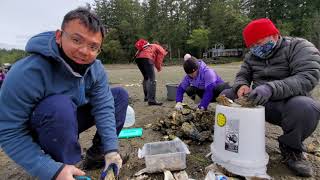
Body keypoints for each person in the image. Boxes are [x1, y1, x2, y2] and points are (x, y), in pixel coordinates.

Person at [0, 8, 129, 180]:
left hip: (70, 117)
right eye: (76, 40)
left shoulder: (95, 68)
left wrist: (111, 149)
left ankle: (97, 155)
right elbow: (9, 132)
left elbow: (104, 107)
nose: (84, 51)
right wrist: (51, 170)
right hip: (42, 125)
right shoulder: (26, 73)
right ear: (59, 36)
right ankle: (63, 167)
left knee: (119, 96)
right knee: (59, 106)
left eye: (93, 47)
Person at [221, 18, 320, 177]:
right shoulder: (252, 55)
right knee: (227, 95)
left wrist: (270, 88)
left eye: (258, 43)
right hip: (258, 102)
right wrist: (241, 85)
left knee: (306, 108)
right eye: (251, 46)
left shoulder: (299, 46)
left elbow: (307, 77)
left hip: (288, 104)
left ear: (274, 35)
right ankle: (236, 140)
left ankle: (291, 149)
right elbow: (243, 75)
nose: (255, 48)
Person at [134, 39, 168, 106]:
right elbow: (159, 60)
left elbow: (153, 59)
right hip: (146, 57)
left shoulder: (150, 46)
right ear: (164, 48)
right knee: (152, 79)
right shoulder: (161, 49)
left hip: (138, 58)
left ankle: (146, 97)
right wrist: (159, 68)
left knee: (146, 77)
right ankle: (151, 100)